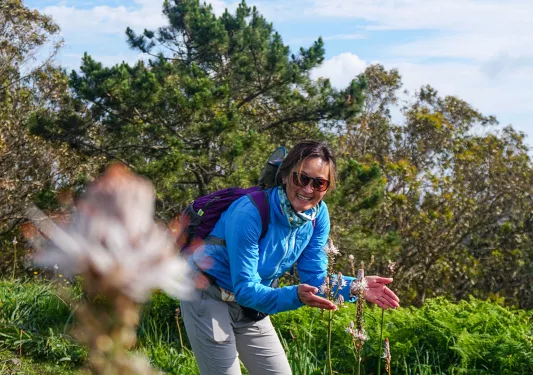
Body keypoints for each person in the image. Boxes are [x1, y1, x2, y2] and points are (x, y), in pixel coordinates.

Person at [181, 140, 400, 375]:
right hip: (208, 295)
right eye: (300, 178)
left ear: (326, 188)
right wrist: (294, 295)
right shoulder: (249, 213)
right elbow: (245, 287)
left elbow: (315, 278)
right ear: (285, 176)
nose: (307, 189)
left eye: (319, 183)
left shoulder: (318, 217)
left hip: (251, 304)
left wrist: (355, 287)